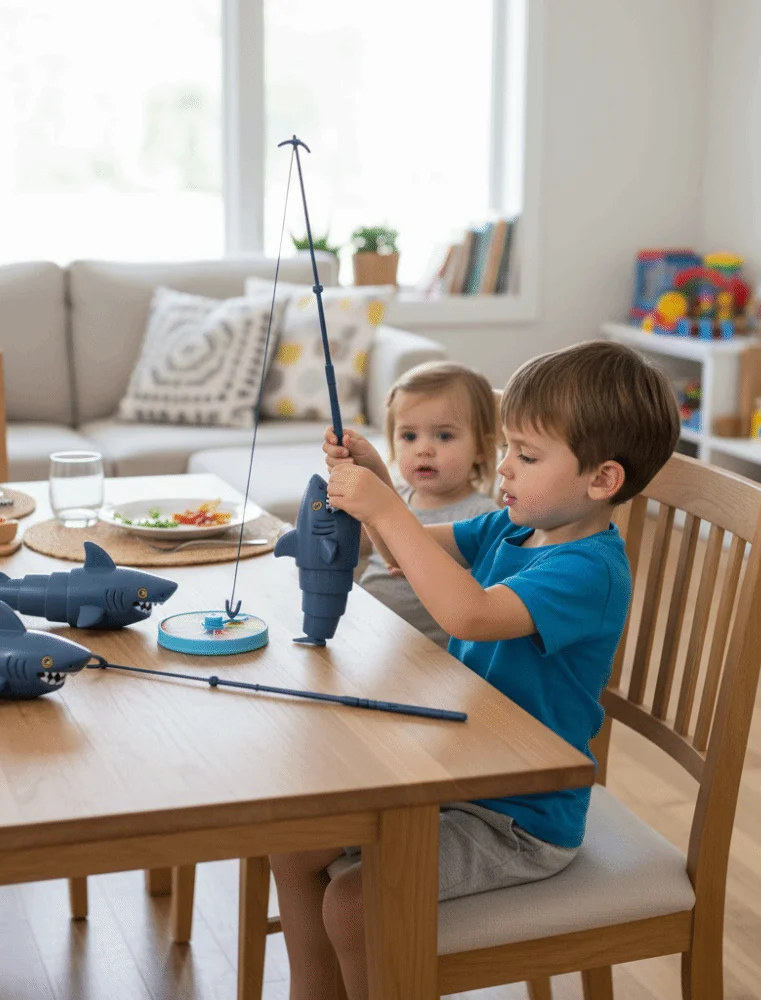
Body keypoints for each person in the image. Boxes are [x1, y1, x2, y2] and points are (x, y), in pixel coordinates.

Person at [272, 340, 681, 1000]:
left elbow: (469, 614)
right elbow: (403, 554)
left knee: (353, 903)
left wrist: (382, 506)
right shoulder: (511, 530)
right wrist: (380, 476)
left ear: (602, 480)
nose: (505, 470)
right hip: (458, 773)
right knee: (295, 844)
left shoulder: (586, 572)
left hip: (520, 818)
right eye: (509, 448)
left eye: (527, 455)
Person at [329, 361, 500, 649]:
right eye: (409, 436)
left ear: (481, 448)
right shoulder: (393, 497)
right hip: (364, 632)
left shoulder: (482, 517)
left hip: (425, 655)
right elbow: (357, 545)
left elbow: (472, 604)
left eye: (444, 436)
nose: (423, 449)